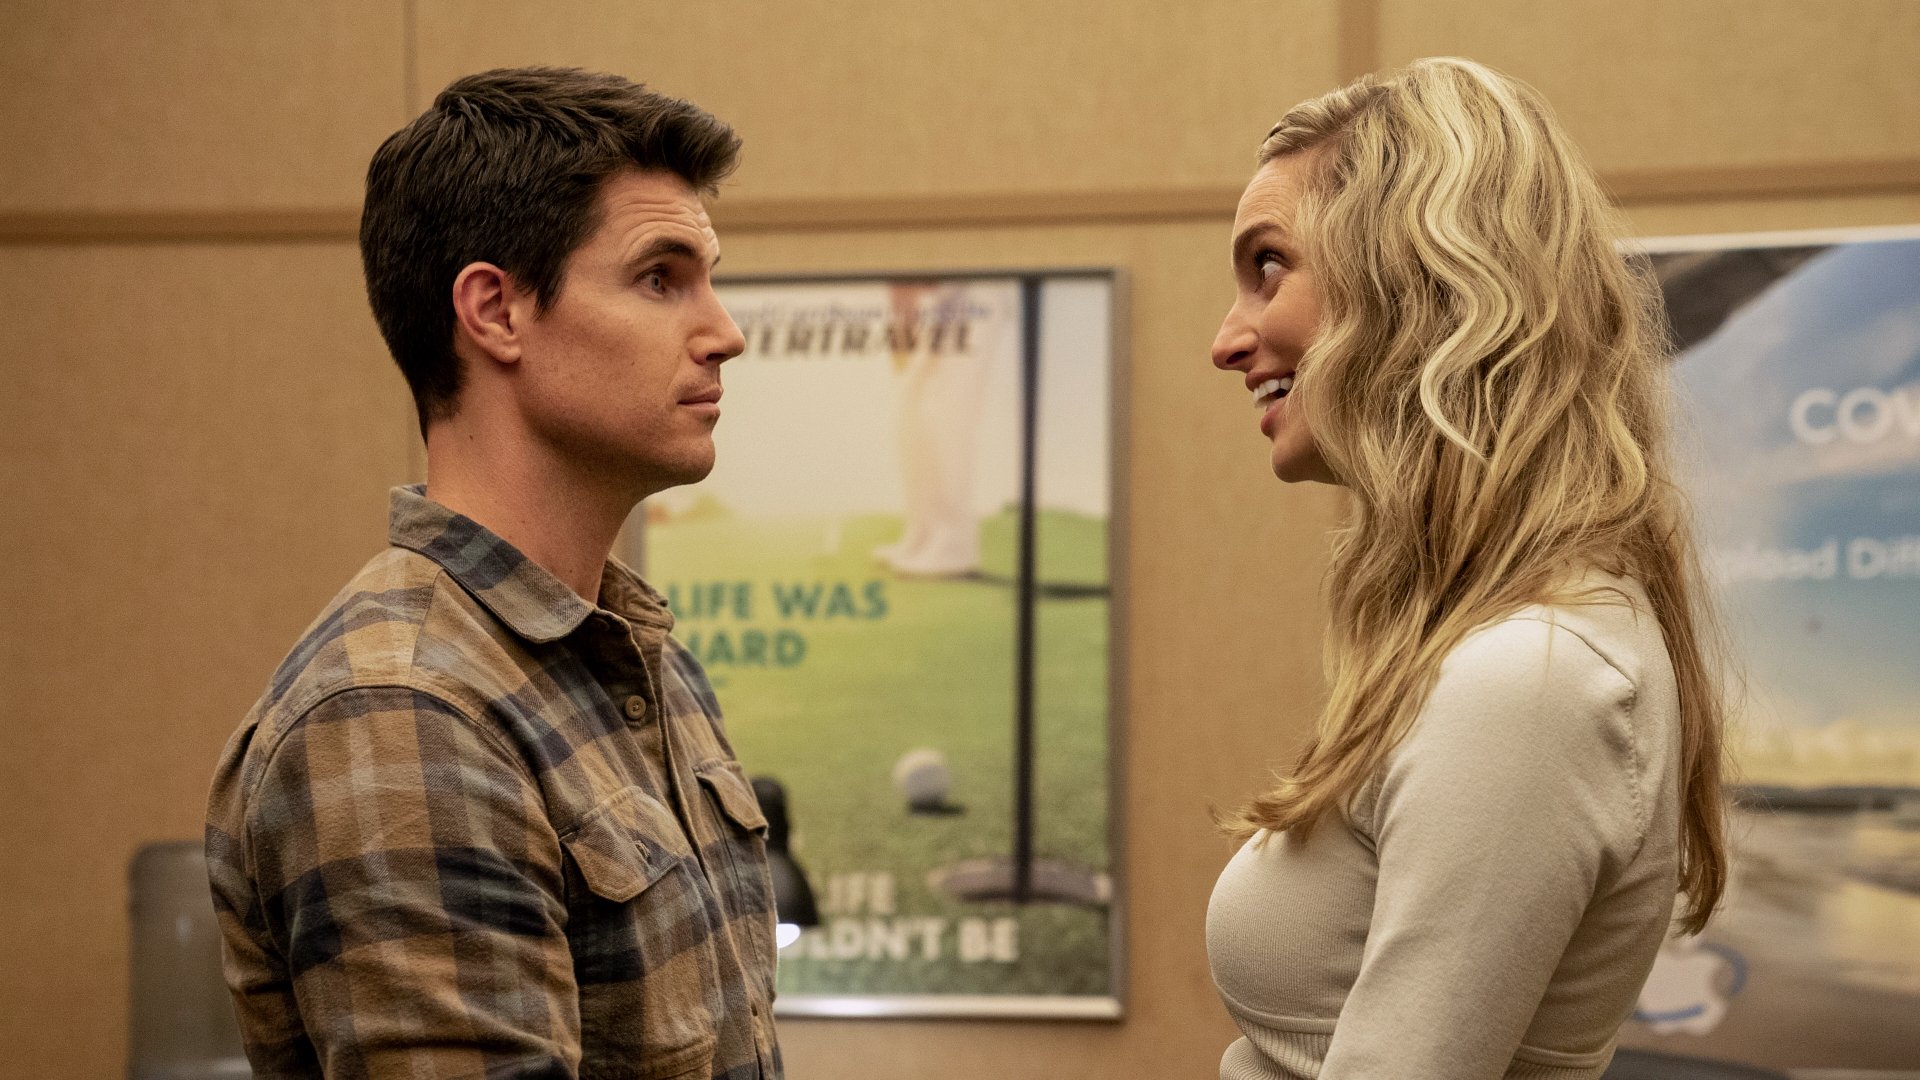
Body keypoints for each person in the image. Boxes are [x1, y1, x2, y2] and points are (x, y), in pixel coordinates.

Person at [205, 67, 781, 1079]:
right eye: (660, 278)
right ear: (496, 311)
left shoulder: (642, 659)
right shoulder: (401, 710)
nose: (724, 334)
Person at [1204, 58, 1729, 1079]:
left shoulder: (1531, 680)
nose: (1227, 342)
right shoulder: (1504, 649)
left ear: (1417, 282)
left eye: (1268, 266)